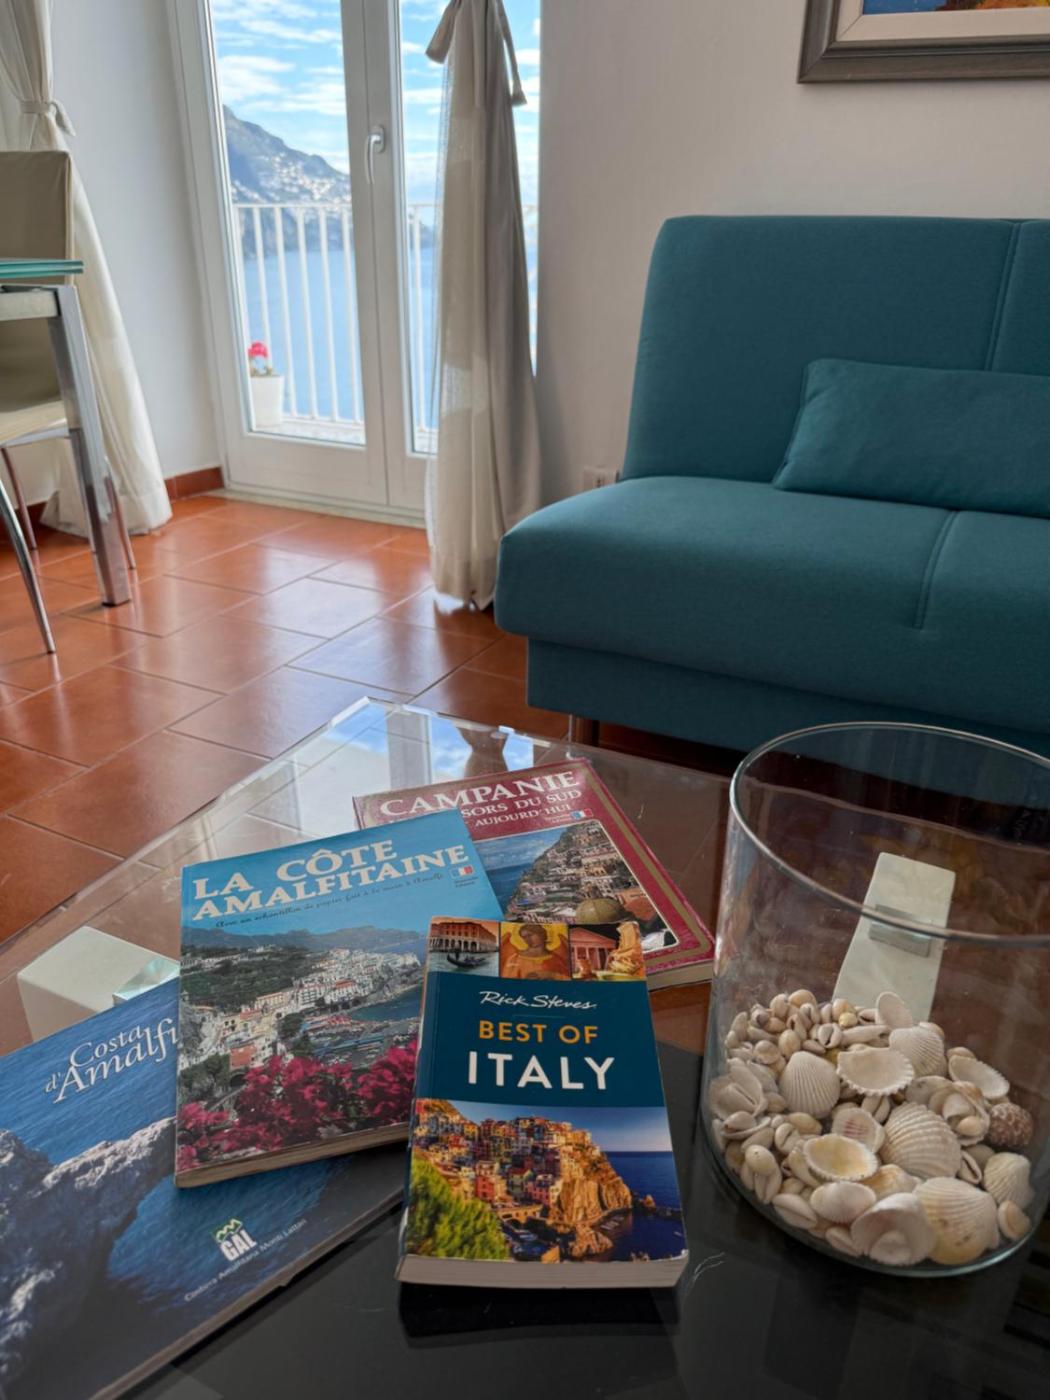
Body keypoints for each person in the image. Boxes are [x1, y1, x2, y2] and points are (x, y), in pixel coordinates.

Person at [500, 923, 571, 980]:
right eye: (524, 937)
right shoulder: (515, 959)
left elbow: (567, 980)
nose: (527, 939)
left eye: (530, 935)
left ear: (541, 934)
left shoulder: (556, 959)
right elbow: (506, 983)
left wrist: (551, 975)